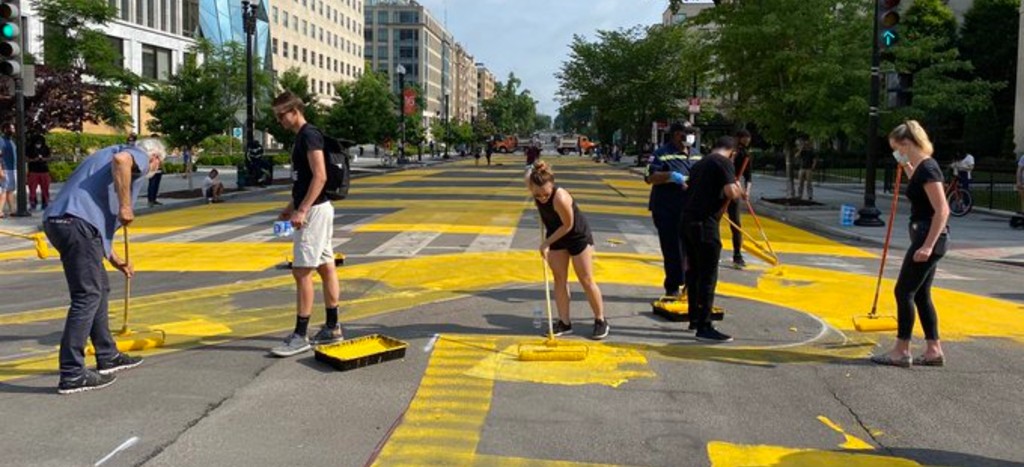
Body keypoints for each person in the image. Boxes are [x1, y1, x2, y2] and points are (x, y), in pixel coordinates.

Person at [43, 138, 166, 394]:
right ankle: (72, 372)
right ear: (154, 157)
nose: (154, 169)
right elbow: (122, 163)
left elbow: (94, 219)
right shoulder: (134, 156)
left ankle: (107, 354)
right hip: (76, 224)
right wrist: (126, 205)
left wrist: (114, 257)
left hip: (63, 223)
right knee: (87, 295)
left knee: (100, 287)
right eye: (158, 164)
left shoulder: (102, 155)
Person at [270, 91, 343, 357]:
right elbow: (303, 180)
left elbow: (320, 176)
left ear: (294, 111)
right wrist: (289, 209)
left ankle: (301, 335)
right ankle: (333, 327)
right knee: (326, 267)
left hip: (313, 212)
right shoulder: (303, 137)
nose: (280, 121)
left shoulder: (309, 135)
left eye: (281, 116)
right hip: (315, 209)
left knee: (302, 271)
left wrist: (301, 210)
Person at [871, 121, 950, 368]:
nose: (896, 153)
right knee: (921, 294)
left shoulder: (928, 168)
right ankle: (933, 350)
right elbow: (917, 186)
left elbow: (942, 210)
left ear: (907, 144)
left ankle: (901, 350)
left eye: (897, 148)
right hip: (926, 236)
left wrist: (927, 246)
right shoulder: (922, 168)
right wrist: (905, 166)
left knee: (903, 291)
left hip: (928, 238)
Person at [526, 160, 608, 339]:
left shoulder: (560, 197)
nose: (542, 198)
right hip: (556, 236)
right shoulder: (533, 185)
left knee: (586, 279)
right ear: (531, 188)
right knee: (559, 279)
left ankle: (600, 320)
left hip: (576, 235)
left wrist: (546, 243)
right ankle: (564, 322)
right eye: (537, 195)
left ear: (552, 185)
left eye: (545, 194)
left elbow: (568, 225)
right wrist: (535, 166)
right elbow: (528, 175)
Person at [682, 136, 745, 342]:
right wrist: (738, 189)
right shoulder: (724, 162)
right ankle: (705, 326)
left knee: (694, 273)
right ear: (733, 152)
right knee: (708, 276)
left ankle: (694, 317)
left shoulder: (700, 164)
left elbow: (688, 187)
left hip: (687, 221)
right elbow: (730, 191)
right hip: (704, 224)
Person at [645, 123, 696, 301]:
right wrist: (670, 176)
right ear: (676, 134)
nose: (690, 136)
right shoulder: (661, 153)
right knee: (672, 248)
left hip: (690, 209)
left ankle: (691, 285)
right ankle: (672, 286)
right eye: (686, 133)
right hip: (666, 210)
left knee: (692, 249)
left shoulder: (696, 154)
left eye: (692, 133)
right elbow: (650, 177)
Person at [728, 129, 753, 268]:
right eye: (744, 139)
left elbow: (748, 176)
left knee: (736, 223)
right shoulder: (728, 150)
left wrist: (746, 192)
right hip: (722, 188)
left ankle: (737, 255)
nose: (746, 142)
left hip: (734, 189)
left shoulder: (745, 154)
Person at [27, 134, 52, 211]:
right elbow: (26, 158)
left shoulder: (46, 148)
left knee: (45, 188)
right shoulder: (29, 148)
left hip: (44, 170)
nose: (38, 144)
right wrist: (34, 160)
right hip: (33, 170)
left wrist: (43, 159)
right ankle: (33, 203)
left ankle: (45, 202)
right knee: (32, 189)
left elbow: (50, 157)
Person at [0, 123, 17, 217]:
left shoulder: (11, 141)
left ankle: (12, 210)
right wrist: (0, 170)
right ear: (5, 129)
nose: (13, 130)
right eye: (12, 128)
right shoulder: (1, 141)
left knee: (10, 190)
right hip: (5, 169)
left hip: (12, 168)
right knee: (3, 190)